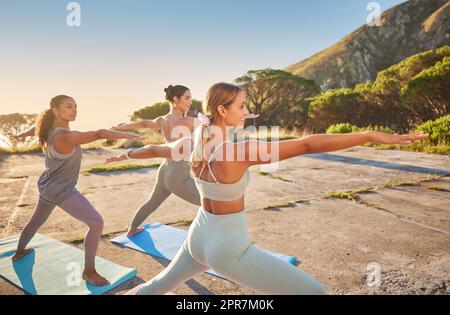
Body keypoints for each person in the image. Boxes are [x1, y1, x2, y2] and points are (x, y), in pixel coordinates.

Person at [125, 82, 428, 295]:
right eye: (242, 107)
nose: (247, 112)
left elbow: (155, 148)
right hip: (227, 247)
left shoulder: (193, 142)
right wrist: (370, 136)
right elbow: (308, 144)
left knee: (155, 288)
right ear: (222, 109)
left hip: (199, 235)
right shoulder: (239, 151)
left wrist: (126, 154)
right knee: (313, 291)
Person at [12, 95, 140, 287]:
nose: (74, 110)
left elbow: (35, 130)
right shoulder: (65, 136)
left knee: (37, 220)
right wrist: (126, 135)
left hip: (47, 185)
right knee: (96, 223)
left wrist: (21, 136)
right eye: (69, 106)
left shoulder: (49, 131)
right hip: (61, 189)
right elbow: (98, 133)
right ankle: (89, 272)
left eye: (75, 106)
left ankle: (19, 251)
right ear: (56, 111)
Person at [112, 85, 256, 237]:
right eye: (186, 98)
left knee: (151, 202)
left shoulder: (162, 120)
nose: (190, 101)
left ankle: (132, 229)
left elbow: (143, 124)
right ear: (175, 100)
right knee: (213, 204)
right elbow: (216, 122)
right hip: (178, 175)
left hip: (164, 170)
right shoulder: (187, 121)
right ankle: (209, 240)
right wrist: (239, 116)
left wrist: (124, 127)